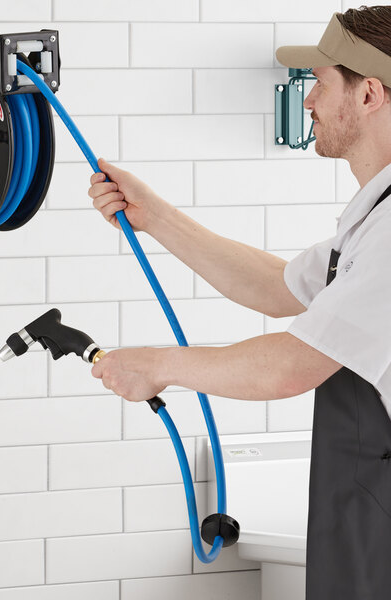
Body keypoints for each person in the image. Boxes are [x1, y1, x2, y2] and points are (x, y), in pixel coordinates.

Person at [88, 6, 391, 600]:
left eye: (321, 85)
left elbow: (290, 365)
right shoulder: (372, 222)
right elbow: (276, 286)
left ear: (370, 94)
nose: (308, 103)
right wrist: (157, 218)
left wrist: (158, 365)